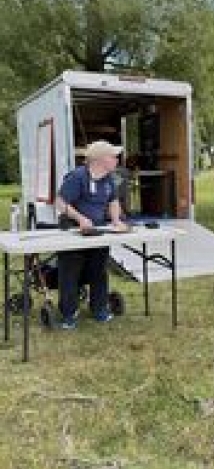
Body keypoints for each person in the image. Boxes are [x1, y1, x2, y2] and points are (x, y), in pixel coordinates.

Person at [55, 140, 129, 329]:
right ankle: (69, 314)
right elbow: (61, 202)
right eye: (113, 156)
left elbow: (113, 201)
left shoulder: (109, 179)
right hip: (73, 232)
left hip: (98, 232)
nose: (117, 159)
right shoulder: (77, 177)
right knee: (70, 273)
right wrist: (80, 218)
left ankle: (99, 309)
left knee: (99, 271)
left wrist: (116, 221)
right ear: (101, 159)